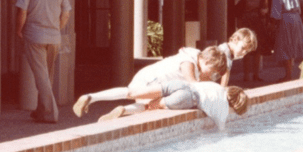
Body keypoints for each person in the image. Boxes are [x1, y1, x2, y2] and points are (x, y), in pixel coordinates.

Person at [72, 45, 228, 121]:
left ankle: (119, 108)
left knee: (148, 105)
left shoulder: (194, 59)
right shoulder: (189, 61)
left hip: (154, 80)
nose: (210, 74)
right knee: (131, 94)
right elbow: (193, 84)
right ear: (207, 61)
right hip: (151, 79)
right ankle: (94, 98)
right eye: (212, 70)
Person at [15, 0, 71, 123]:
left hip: (35, 36)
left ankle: (51, 113)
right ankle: (40, 111)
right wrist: (57, 28)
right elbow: (66, 13)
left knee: (41, 76)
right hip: (54, 37)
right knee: (47, 76)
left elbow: (22, 11)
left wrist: (19, 30)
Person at [129, 80, 250, 130]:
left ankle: (122, 99)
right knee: (150, 106)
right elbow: (221, 130)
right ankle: (127, 110)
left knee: (135, 93)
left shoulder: (218, 87)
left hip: (182, 85)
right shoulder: (223, 110)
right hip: (187, 99)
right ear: (235, 107)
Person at [234, 0, 269, 82]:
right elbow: (239, 10)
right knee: (246, 48)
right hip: (247, 22)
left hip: (258, 22)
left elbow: (266, 7)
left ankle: (256, 75)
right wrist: (239, 25)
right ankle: (246, 75)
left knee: (258, 49)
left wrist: (265, 12)